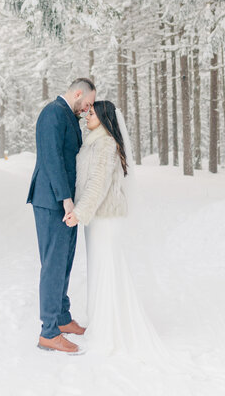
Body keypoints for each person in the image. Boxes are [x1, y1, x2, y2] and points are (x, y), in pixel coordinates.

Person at [64, 100, 170, 361]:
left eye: (92, 112)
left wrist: (79, 213)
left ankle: (110, 330)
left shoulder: (106, 144)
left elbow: (98, 184)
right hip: (95, 218)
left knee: (107, 269)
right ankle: (103, 322)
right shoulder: (92, 142)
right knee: (99, 270)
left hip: (105, 218)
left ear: (104, 117)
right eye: (87, 111)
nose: (87, 115)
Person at [27, 78, 96, 354]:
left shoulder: (68, 115)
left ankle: (62, 318)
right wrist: (66, 200)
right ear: (77, 93)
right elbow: (52, 159)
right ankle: (48, 332)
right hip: (52, 201)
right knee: (53, 264)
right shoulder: (53, 113)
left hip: (66, 203)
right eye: (87, 103)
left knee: (65, 261)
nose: (87, 109)